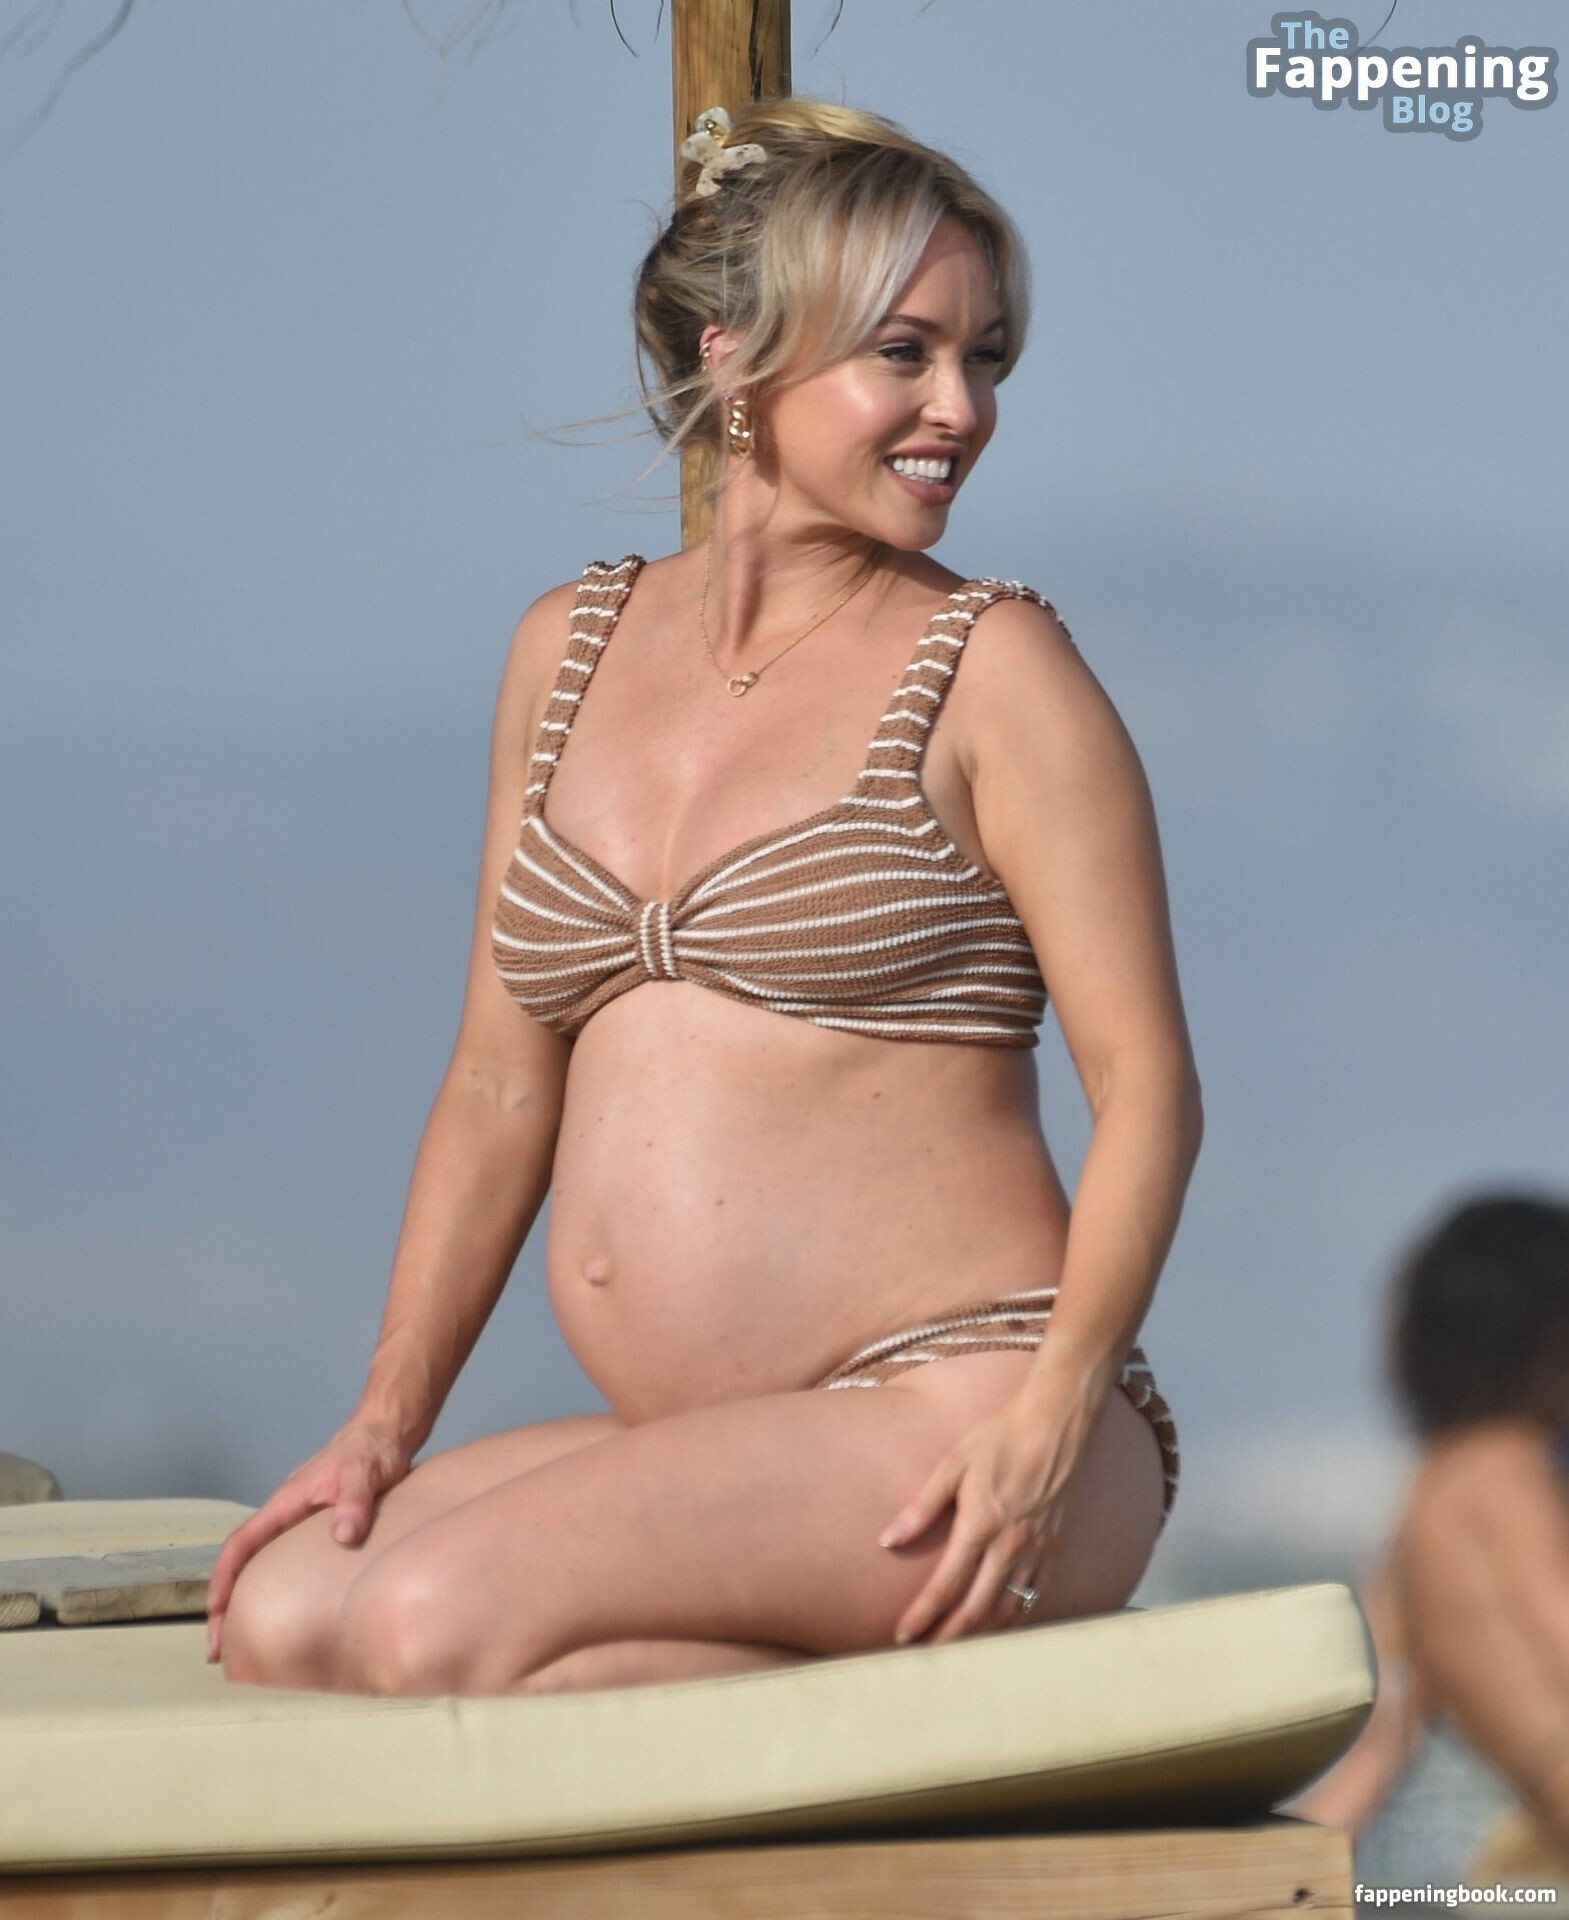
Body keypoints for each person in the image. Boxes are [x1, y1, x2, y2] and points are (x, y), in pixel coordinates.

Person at [203, 95, 1203, 1700]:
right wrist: (386, 1417)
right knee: (285, 1616)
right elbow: (495, 1086)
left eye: (987, 359)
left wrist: (1054, 1412)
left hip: (965, 1415)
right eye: (904, 352)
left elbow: (1146, 1083)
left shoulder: (995, 670)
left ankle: (917, 1711)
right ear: (735, 357)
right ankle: (860, 1710)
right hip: (723, 1442)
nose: (960, 408)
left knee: (423, 1627)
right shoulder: (566, 649)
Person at [1284, 1193, 1569, 1900]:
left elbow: (1384, 1736)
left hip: (1479, 1881)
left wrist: (1291, 1886)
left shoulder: (1426, 1503)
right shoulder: (1501, 1470)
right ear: (1542, 1333)